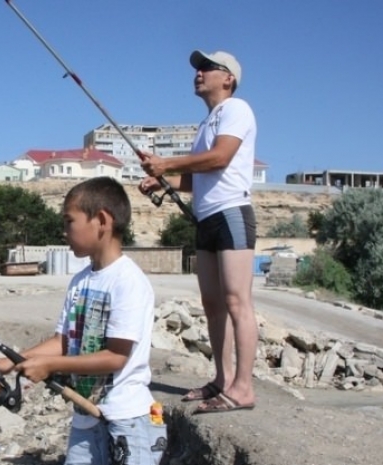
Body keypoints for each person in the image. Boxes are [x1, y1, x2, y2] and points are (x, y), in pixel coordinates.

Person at [0, 177, 166, 465]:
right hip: (85, 419)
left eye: (69, 221)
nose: (64, 231)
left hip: (128, 421)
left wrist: (50, 365)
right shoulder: (80, 281)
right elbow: (64, 341)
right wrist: (13, 362)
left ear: (102, 220)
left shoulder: (128, 281)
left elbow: (116, 357)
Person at [137, 50, 258, 414]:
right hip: (206, 218)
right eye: (198, 68)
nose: (199, 73)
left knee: (237, 301)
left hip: (231, 212)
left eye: (207, 68)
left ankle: (243, 388)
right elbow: (195, 179)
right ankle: (222, 379)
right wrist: (163, 182)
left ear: (228, 78)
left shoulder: (237, 109)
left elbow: (220, 157)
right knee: (212, 304)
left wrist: (166, 163)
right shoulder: (207, 123)